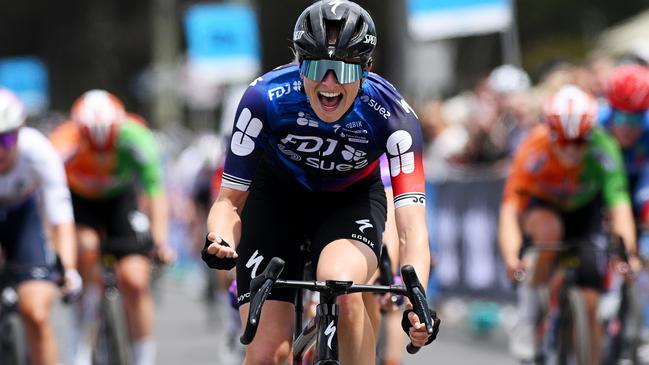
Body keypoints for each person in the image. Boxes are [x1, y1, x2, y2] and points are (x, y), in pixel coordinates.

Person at [201, 1, 438, 364]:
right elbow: (229, 201)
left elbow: (411, 230)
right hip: (276, 201)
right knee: (268, 354)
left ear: (366, 69)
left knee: (340, 284)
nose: (329, 84)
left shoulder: (393, 116)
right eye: (316, 67)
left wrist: (416, 299)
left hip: (349, 201)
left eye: (342, 70)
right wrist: (220, 238)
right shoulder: (263, 98)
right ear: (298, 64)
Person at [498, 84, 641, 364]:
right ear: (551, 133)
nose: (573, 149)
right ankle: (530, 317)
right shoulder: (534, 148)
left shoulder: (604, 147)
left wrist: (630, 254)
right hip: (543, 210)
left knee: (590, 304)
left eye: (581, 141)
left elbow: (620, 205)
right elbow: (509, 209)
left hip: (584, 213)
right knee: (549, 229)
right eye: (564, 141)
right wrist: (511, 258)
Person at [49, 89, 174, 365]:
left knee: (135, 280)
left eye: (108, 146)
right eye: (94, 147)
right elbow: (48, 200)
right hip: (79, 202)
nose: (102, 155)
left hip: (120, 201)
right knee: (86, 247)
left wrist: (161, 241)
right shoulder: (62, 144)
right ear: (79, 132)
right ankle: (86, 311)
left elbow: (155, 192)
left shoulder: (137, 137)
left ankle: (144, 358)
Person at [0, 87, 82, 365]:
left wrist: (68, 269)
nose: (1, 149)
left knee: (36, 312)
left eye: (7, 138)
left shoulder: (38, 151)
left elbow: (60, 216)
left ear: (20, 133)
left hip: (24, 220)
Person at [599, 63, 649, 359]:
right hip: (605, 186)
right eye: (621, 116)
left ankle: (644, 329)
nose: (628, 126)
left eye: (637, 117)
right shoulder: (596, 126)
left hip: (639, 185)